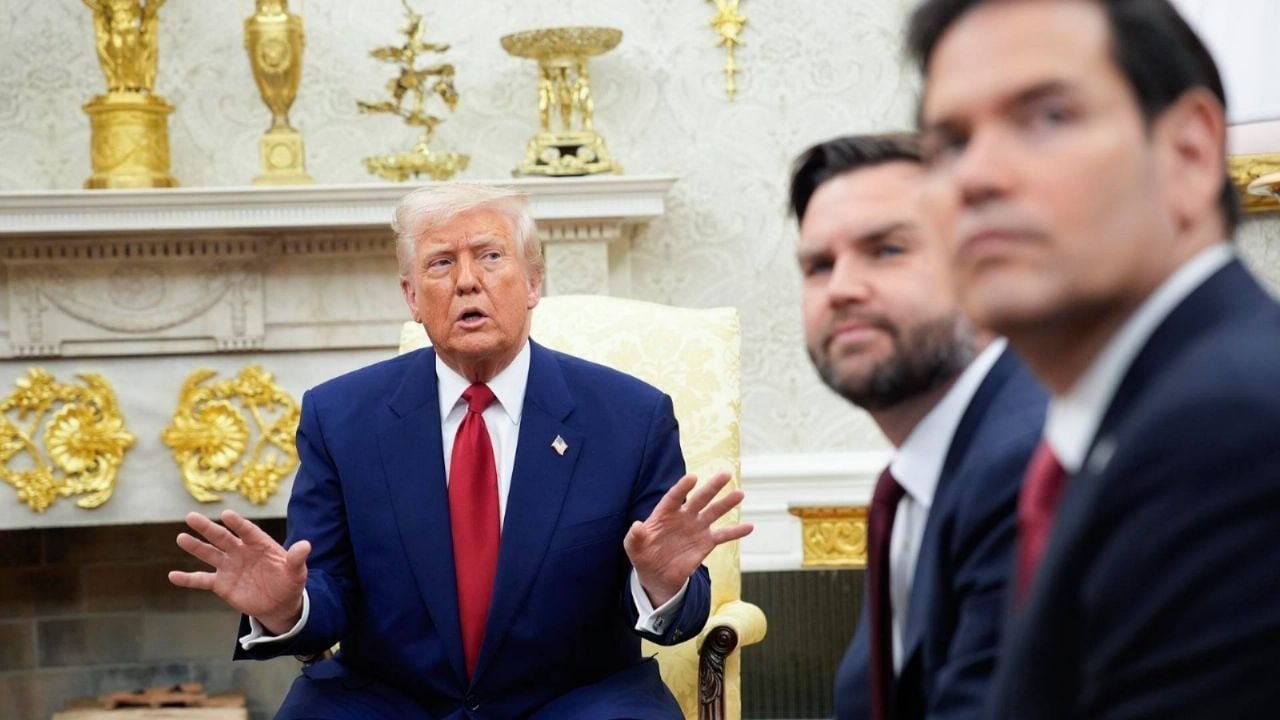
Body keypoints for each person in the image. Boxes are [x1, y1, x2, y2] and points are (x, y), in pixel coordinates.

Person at [168, 183, 753, 719]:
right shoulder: (340, 418)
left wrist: (660, 583)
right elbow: (326, 585)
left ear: (533, 283)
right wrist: (284, 608)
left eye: (490, 256)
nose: (467, 281)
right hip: (391, 701)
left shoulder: (629, 417)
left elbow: (678, 614)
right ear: (412, 296)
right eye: (441, 263)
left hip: (575, 698)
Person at [908, 1, 1280, 717]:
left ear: (1191, 154)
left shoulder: (1225, 432)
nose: (976, 176)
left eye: (1047, 117)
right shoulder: (1129, 418)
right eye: (950, 143)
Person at [790, 133, 1045, 720]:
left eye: (886, 250)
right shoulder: (922, 474)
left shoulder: (1028, 465)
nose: (842, 289)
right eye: (819, 266)